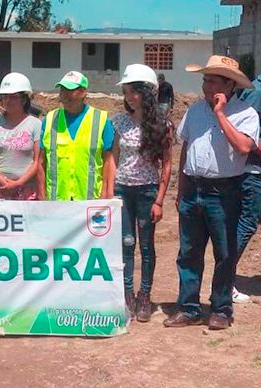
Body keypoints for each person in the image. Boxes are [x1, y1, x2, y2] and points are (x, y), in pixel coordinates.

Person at [163, 55, 259, 330]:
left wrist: (220, 114)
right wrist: (181, 190)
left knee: (225, 253)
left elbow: (243, 148)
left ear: (228, 86)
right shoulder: (194, 111)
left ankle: (221, 309)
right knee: (189, 252)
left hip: (225, 192)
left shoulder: (245, 114)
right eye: (205, 80)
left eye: (212, 80)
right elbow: (186, 149)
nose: (205, 85)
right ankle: (189, 307)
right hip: (194, 188)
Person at [113, 64, 173, 322]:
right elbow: (113, 159)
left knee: (146, 247)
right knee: (126, 245)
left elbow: (168, 164)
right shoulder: (118, 123)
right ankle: (127, 295)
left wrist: (159, 200)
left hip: (148, 192)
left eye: (133, 91)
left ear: (146, 93)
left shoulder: (163, 124)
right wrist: (110, 192)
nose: (128, 97)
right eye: (126, 91)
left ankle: (144, 296)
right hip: (122, 192)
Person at [38, 71, 115, 200]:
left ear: (83, 92)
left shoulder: (100, 120)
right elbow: (41, 162)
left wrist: (106, 193)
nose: (65, 95)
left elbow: (108, 161)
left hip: (89, 201)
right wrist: (41, 195)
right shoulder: (50, 120)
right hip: (57, 200)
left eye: (70, 90)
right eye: (62, 90)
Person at [0, 72, 41, 200]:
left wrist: (19, 183)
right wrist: (2, 181)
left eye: (13, 97)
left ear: (25, 99)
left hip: (27, 190)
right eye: (5, 96)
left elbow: (37, 161)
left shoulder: (35, 124)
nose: (8, 101)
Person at [232, 72, 261, 303]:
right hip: (253, 171)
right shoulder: (257, 92)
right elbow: (247, 134)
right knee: (247, 222)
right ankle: (225, 280)